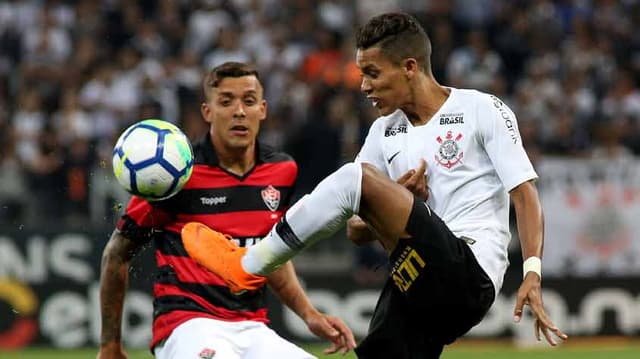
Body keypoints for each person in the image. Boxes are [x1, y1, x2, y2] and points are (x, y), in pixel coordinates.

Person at [181, 13, 568, 358]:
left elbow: (524, 192)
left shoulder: (482, 109)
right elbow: (354, 230)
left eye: (372, 73)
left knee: (357, 177)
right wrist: (399, 206)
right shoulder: (384, 132)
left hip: (467, 273)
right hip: (414, 276)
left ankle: (249, 264)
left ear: (410, 67)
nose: (363, 86)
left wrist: (532, 270)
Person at [97, 62, 355, 359]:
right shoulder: (176, 172)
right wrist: (109, 344)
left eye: (248, 100)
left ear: (263, 109)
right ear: (208, 111)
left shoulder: (281, 170)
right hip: (187, 325)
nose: (239, 111)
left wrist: (310, 315)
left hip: (253, 327)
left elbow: (272, 254)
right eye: (226, 101)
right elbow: (116, 254)